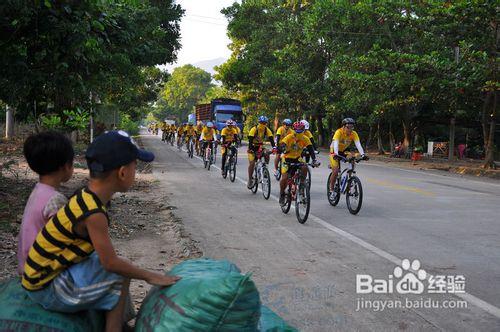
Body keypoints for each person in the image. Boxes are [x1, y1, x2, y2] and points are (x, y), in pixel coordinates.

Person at [21, 131, 180, 332]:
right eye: (135, 166)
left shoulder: (85, 198)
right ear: (122, 173)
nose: (135, 171)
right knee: (120, 275)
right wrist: (149, 275)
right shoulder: (94, 213)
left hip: (40, 275)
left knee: (115, 266)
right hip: (46, 286)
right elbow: (110, 263)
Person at [17, 132, 74, 275]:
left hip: (26, 267)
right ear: (65, 166)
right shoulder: (55, 200)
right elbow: (66, 239)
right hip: (41, 273)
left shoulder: (37, 192)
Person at [279, 122, 320, 204]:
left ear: (303, 130)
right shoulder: (289, 137)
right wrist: (283, 148)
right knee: (284, 178)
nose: (299, 133)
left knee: (305, 166)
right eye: (297, 131)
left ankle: (301, 185)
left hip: (297, 158)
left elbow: (311, 149)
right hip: (287, 158)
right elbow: (282, 144)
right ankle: (282, 193)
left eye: (300, 131)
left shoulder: (305, 138)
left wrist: (314, 160)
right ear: (293, 130)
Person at [328, 118, 368, 198]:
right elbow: (335, 143)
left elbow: (358, 144)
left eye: (352, 127)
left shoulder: (354, 133)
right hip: (334, 151)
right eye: (348, 127)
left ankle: (349, 179)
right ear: (343, 127)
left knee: (352, 159)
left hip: (344, 150)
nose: (350, 129)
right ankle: (331, 190)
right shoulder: (338, 132)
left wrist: (363, 155)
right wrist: (335, 154)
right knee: (335, 171)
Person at [247, 116, 276, 189]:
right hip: (252, 147)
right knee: (252, 163)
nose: (263, 124)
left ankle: (265, 168)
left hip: (260, 146)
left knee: (266, 153)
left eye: (264, 123)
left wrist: (274, 148)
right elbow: (250, 140)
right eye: (261, 123)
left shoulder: (267, 130)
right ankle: (250, 179)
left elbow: (271, 139)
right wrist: (251, 149)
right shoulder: (254, 129)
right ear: (259, 122)